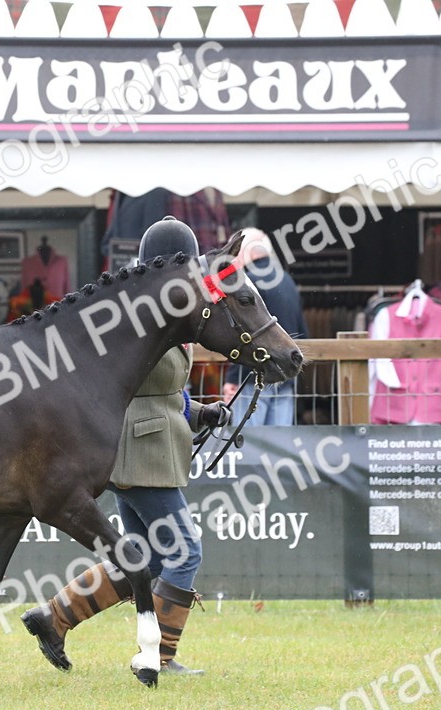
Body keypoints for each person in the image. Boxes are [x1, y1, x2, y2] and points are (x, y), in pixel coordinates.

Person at [22, 217, 231, 676]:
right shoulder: (143, 314)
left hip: (147, 439)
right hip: (141, 447)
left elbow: (160, 388)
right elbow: (135, 386)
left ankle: (53, 617)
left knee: (147, 553)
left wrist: (199, 412)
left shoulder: (154, 308)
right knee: (185, 552)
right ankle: (159, 655)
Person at [222, 228, 308, 426]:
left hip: (253, 377)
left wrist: (233, 379)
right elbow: (303, 330)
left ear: (250, 253)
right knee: (278, 445)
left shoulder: (248, 283)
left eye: (237, 252)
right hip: (286, 375)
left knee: (248, 443)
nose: (234, 259)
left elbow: (242, 333)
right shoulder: (288, 281)